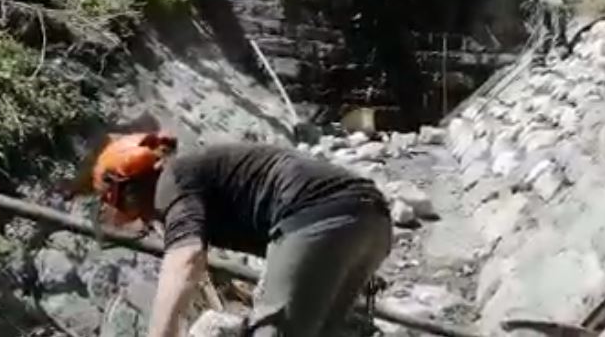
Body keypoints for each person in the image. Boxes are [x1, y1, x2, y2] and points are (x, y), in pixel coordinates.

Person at [90, 131, 392, 337]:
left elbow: (184, 260)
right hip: (372, 219)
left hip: (318, 216)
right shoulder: (194, 174)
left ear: (127, 190)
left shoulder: (171, 181)